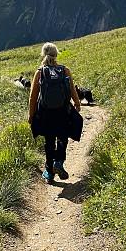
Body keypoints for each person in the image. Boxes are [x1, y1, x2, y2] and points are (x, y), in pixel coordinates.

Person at [28, 42, 81, 183]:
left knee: (49, 141)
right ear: (56, 54)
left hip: (46, 113)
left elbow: (33, 96)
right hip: (63, 111)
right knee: (62, 137)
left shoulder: (40, 72)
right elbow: (72, 89)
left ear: (43, 54)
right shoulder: (64, 70)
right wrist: (77, 103)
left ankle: (49, 172)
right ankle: (59, 162)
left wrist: (31, 115)